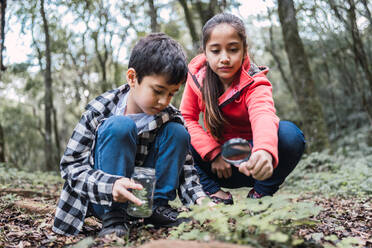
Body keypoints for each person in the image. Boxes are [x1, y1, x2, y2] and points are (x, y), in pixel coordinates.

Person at [52, 33, 207, 237]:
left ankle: (157, 208)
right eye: (158, 90)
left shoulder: (171, 117)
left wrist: (200, 201)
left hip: (145, 200)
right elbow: (71, 166)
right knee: (120, 127)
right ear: (132, 78)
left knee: (177, 132)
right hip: (105, 198)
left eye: (171, 93)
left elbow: (187, 171)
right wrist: (111, 186)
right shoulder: (100, 111)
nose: (164, 101)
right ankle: (115, 216)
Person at [180, 13, 305, 205]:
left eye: (233, 49)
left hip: (255, 163)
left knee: (290, 134)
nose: (224, 58)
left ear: (244, 50)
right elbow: (187, 117)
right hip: (219, 165)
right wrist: (213, 154)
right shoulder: (196, 78)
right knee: (177, 134)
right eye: (215, 51)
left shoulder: (255, 82)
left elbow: (263, 114)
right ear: (204, 52)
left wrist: (263, 151)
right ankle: (214, 194)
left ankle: (260, 195)